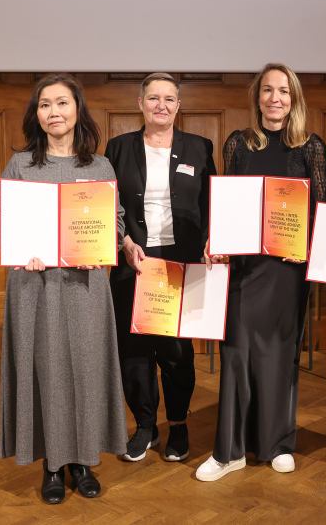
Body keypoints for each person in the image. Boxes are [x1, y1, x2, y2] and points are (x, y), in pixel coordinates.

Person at [0, 73, 127, 504]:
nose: (54, 112)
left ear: (77, 109)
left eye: (62, 103)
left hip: (86, 286)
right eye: (45, 105)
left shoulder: (99, 166)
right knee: (46, 371)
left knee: (85, 369)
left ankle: (83, 460)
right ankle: (51, 466)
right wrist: (19, 248)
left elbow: (115, 221)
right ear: (37, 114)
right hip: (35, 286)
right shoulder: (21, 165)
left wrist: (102, 247)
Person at [197, 63, 326, 482]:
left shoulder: (311, 147)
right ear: (257, 97)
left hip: (287, 270)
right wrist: (213, 242)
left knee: (279, 353)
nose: (276, 98)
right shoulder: (237, 143)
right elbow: (227, 203)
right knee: (236, 353)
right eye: (268, 90)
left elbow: (321, 212)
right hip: (242, 267)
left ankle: (277, 445)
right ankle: (229, 451)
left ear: (295, 99)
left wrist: (308, 247)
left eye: (284, 92)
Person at [105, 73, 215, 463]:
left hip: (179, 262)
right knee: (134, 350)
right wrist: (124, 243)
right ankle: (145, 426)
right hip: (132, 261)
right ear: (140, 104)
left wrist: (209, 243)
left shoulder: (200, 148)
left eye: (169, 99)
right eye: (154, 98)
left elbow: (211, 205)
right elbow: (108, 207)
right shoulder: (117, 148)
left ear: (179, 106)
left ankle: (179, 426)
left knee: (175, 351)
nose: (161, 106)